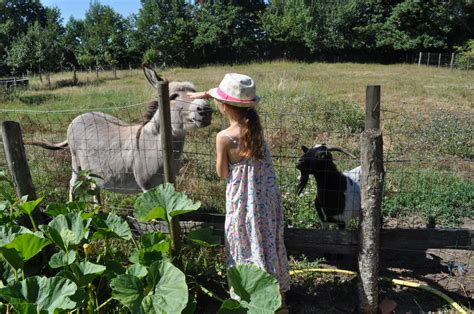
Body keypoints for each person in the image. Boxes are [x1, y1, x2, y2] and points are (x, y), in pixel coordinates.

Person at [188, 73, 290, 312]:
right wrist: (206, 94)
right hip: (265, 199)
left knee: (242, 241)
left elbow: (222, 173)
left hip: (242, 200)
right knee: (266, 241)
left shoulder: (223, 137)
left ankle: (250, 299)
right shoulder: (255, 127)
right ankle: (279, 301)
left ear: (223, 106)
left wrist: (210, 95)